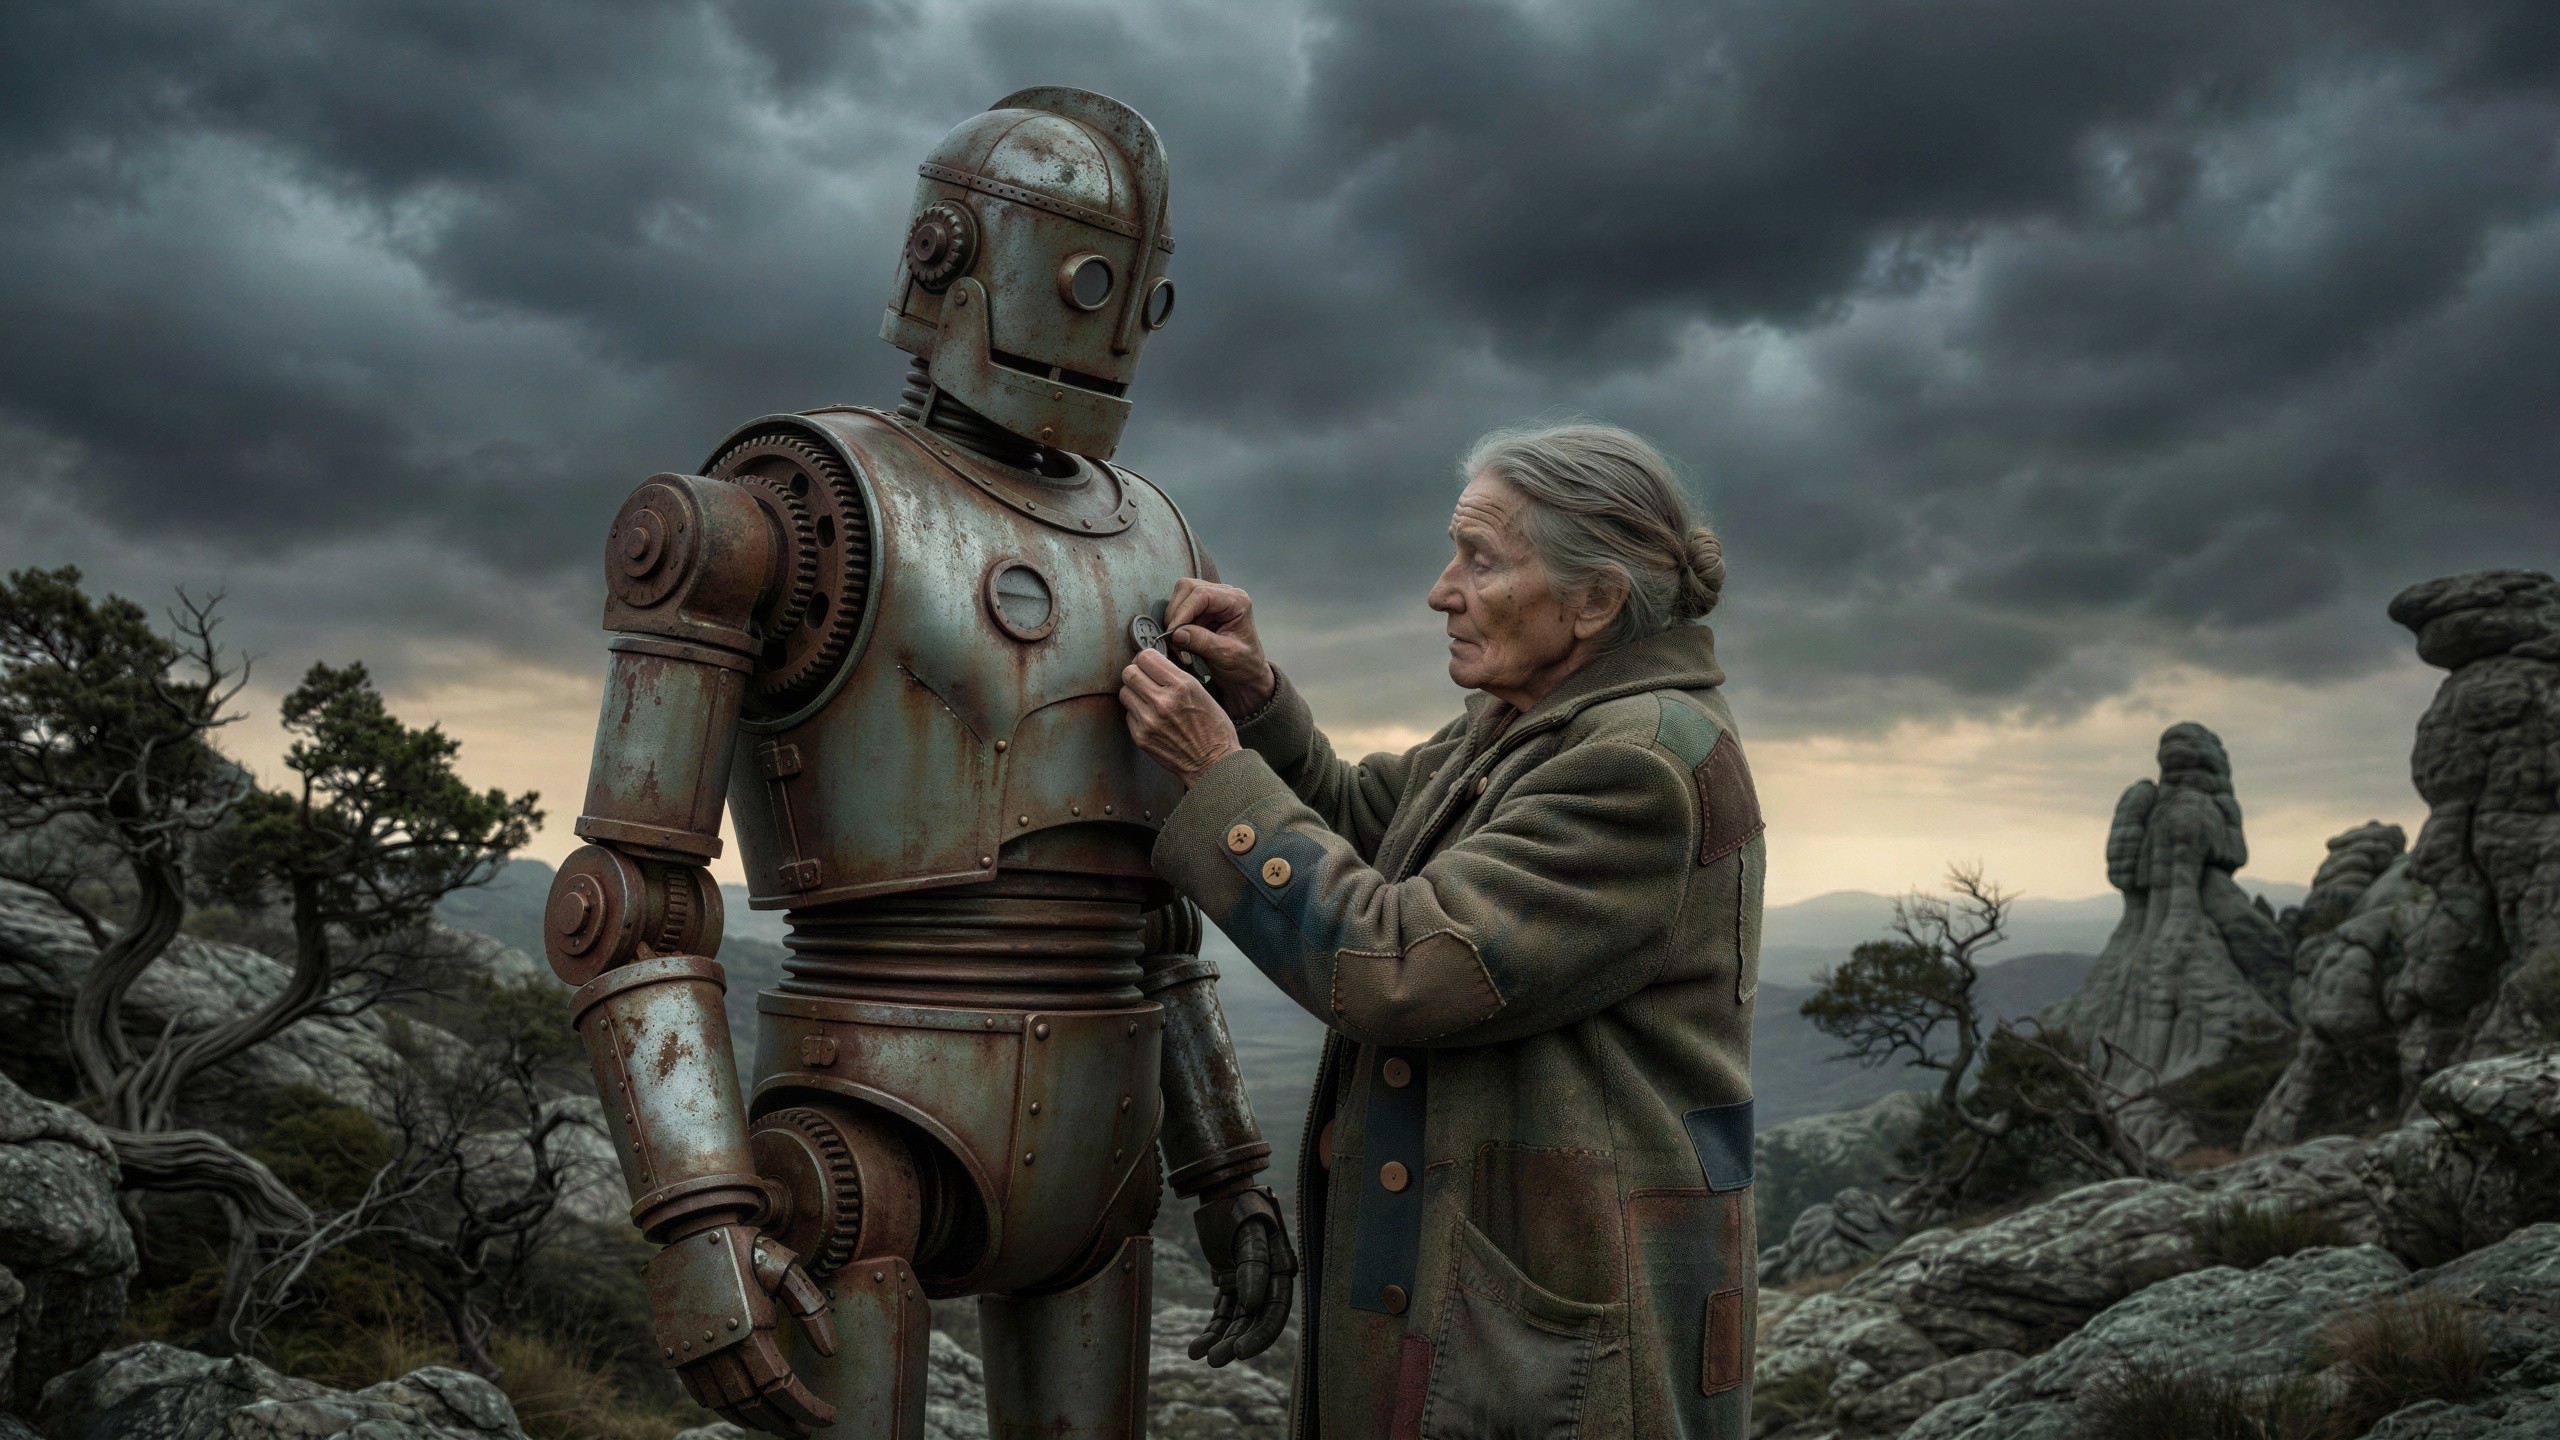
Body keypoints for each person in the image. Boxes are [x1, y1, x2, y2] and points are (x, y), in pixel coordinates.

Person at [1118, 422, 1766, 1438]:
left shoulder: (1635, 766)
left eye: (1480, 558)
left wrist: (1214, 777)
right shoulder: (1531, 726)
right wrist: (1254, 702)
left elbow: (1401, 966)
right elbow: (1368, 825)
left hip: (1560, 1349)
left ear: (1593, 601)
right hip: (1506, 1307)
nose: (1441, 590)